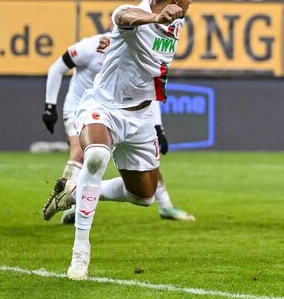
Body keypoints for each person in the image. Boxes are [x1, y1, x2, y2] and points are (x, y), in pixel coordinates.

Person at [40, 0, 194, 280]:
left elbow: (154, 74)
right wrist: (153, 17)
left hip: (141, 115)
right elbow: (123, 16)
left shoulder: (177, 21)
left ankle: (73, 191)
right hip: (104, 106)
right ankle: (79, 255)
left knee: (143, 196)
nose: (193, 1)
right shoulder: (134, 15)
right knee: (95, 156)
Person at [42, 33, 195, 224]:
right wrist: (50, 106)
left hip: (117, 111)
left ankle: (165, 206)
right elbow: (57, 68)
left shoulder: (135, 54)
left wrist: (158, 128)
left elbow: (145, 92)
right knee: (80, 153)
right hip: (81, 107)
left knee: (146, 163)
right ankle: (69, 207)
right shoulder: (90, 47)